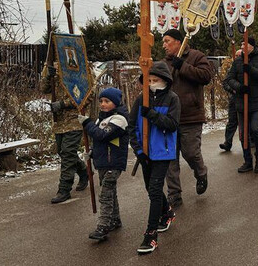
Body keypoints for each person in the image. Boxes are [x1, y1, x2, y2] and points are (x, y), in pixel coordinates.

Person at [128, 62, 180, 254]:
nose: (151, 83)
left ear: (165, 80)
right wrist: (138, 151)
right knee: (150, 188)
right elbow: (131, 126)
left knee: (155, 189)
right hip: (145, 153)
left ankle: (150, 236)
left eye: (155, 80)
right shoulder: (142, 98)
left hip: (163, 152)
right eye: (148, 80)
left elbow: (173, 124)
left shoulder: (173, 99)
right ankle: (167, 212)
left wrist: (153, 115)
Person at [162, 29, 213, 208]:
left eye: (167, 41)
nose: (164, 45)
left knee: (190, 153)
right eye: (163, 42)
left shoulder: (196, 56)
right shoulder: (163, 63)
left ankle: (200, 173)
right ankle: (174, 194)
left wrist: (182, 65)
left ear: (178, 41)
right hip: (168, 118)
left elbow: (206, 76)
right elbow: (154, 83)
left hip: (190, 115)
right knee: (170, 158)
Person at [78, 88, 128, 242]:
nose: (103, 104)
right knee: (110, 192)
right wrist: (92, 152)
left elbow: (102, 135)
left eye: (107, 101)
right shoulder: (101, 119)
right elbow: (99, 141)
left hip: (113, 163)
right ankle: (115, 219)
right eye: (101, 101)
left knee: (105, 194)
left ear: (116, 102)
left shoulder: (120, 119)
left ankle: (103, 226)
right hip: (102, 162)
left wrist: (87, 123)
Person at [40, 63, 93, 204]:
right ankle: (84, 172)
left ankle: (64, 189)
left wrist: (64, 104)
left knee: (68, 153)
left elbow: (88, 95)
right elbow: (43, 88)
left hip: (74, 119)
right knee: (63, 152)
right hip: (59, 122)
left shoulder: (81, 65)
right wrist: (48, 76)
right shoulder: (52, 65)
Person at [224, 36, 258, 173]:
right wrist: (239, 87)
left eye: (245, 44)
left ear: (252, 46)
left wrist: (251, 70)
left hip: (257, 102)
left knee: (255, 129)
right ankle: (247, 161)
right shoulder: (238, 61)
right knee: (243, 133)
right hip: (241, 102)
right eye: (241, 44)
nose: (242, 46)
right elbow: (229, 79)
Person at [220, 50, 242, 152]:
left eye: (239, 55)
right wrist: (232, 89)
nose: (237, 57)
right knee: (232, 122)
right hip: (234, 98)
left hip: (245, 99)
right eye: (235, 55)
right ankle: (227, 143)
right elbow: (225, 82)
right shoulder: (231, 69)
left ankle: (251, 140)